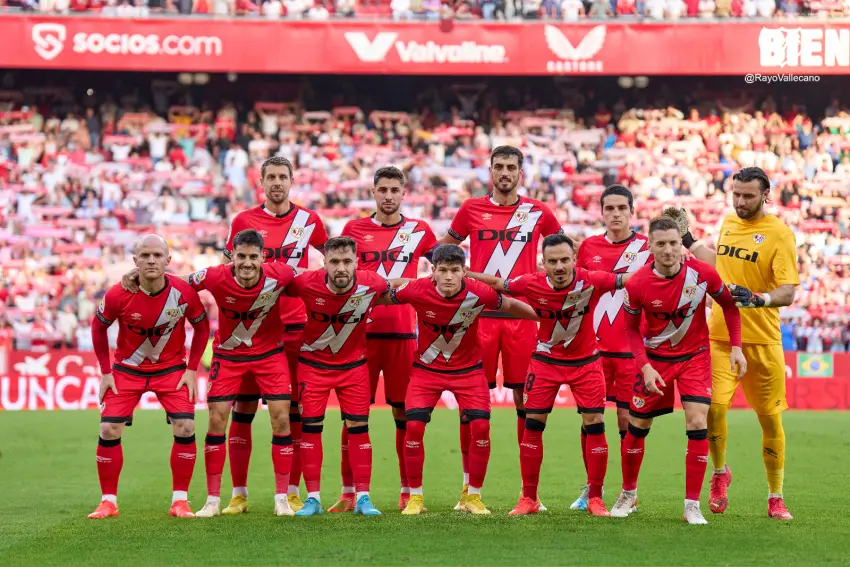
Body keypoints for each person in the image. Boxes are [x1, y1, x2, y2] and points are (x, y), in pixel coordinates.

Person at [667, 166, 799, 520]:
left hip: (763, 340)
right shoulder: (728, 222)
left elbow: (787, 291)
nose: (740, 202)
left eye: (748, 196)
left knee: (770, 419)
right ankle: (720, 472)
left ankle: (775, 495)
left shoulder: (780, 235)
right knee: (713, 410)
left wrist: (757, 299)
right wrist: (689, 239)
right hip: (721, 336)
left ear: (765, 195)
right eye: (736, 194)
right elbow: (719, 264)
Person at [469, 233, 632, 516]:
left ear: (574, 260)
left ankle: (596, 498)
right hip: (545, 362)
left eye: (565, 260)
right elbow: (497, 284)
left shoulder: (593, 279)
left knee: (594, 423)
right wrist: (462, 272)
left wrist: (669, 269)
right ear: (543, 263)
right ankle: (528, 498)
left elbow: (630, 280)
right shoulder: (531, 282)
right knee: (533, 425)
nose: (559, 267)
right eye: (553, 261)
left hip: (586, 362)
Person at [439, 145, 562, 510]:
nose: (504, 172)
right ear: (489, 172)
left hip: (522, 319)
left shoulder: (538, 212)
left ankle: (529, 494)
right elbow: (442, 250)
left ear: (521, 172)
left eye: (511, 167)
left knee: (528, 404)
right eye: (498, 167)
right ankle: (468, 491)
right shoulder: (471, 209)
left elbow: (563, 250)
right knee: (472, 404)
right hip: (478, 319)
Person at [383, 244, 539, 515]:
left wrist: (548, 319)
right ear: (432, 272)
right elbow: (383, 298)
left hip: (468, 371)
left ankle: (473, 497)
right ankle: (416, 498)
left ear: (465, 272)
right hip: (426, 371)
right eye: (442, 270)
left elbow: (512, 305)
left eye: (455, 271)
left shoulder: (480, 293)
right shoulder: (417, 289)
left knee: (480, 426)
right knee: (414, 427)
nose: (448, 277)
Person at [610, 217, 746, 525]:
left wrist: (736, 347)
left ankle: (691, 505)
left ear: (679, 243)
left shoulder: (703, 274)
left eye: (673, 242)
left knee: (698, 420)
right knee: (637, 427)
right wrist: (644, 367)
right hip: (655, 361)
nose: (668, 249)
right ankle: (628, 494)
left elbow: (729, 306)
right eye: (661, 244)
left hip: (694, 358)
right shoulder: (637, 283)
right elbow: (630, 330)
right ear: (651, 246)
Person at [222, 156, 328, 515]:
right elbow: (228, 269)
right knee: (243, 409)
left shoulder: (309, 220)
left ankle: (292, 491)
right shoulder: (243, 221)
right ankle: (239, 493)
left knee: (292, 412)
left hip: (297, 327)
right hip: (252, 329)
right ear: (262, 182)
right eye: (271, 177)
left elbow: (333, 262)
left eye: (283, 177)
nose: (278, 183)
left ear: (292, 180)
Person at [336, 166, 438, 512]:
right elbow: (338, 274)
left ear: (404, 193)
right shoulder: (354, 229)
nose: (389, 195)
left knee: (404, 416)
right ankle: (349, 493)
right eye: (383, 189)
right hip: (359, 337)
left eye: (395, 189)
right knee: (351, 417)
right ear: (374, 192)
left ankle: (409, 492)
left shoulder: (419, 231)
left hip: (403, 336)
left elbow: (444, 269)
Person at [89, 235, 209, 519]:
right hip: (127, 371)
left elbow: (202, 328)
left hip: (171, 370)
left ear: (168, 260)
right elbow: (97, 327)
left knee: (186, 426)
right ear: (135, 261)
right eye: (145, 256)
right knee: (108, 430)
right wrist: (106, 372)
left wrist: (191, 369)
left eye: (157, 255)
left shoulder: (184, 292)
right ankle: (108, 502)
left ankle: (180, 501)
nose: (151, 260)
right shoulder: (118, 294)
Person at [184, 229, 301, 517]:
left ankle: (282, 498)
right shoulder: (213, 276)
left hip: (270, 355)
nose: (247, 263)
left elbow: (313, 282)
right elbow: (182, 285)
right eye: (241, 256)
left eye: (253, 257)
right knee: (216, 418)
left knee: (282, 418)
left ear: (263, 257)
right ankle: (212, 500)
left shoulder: (282, 274)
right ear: (231, 257)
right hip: (229, 356)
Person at [287, 236, 401, 517]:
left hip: (354, 368)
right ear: (324, 263)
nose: (341, 267)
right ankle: (312, 498)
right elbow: (275, 284)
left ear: (356, 262)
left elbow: (395, 286)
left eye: (347, 261)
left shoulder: (371, 283)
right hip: (312, 366)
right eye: (334, 261)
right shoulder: (305, 283)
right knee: (311, 430)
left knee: (359, 429)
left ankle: (363, 497)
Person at [572, 184, 652, 511]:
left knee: (626, 421)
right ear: (602, 212)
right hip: (593, 351)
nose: (616, 214)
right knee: (590, 420)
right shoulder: (588, 246)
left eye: (622, 208)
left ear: (631, 211)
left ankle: (628, 492)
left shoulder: (647, 248)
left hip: (632, 352)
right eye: (610, 208)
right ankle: (593, 490)